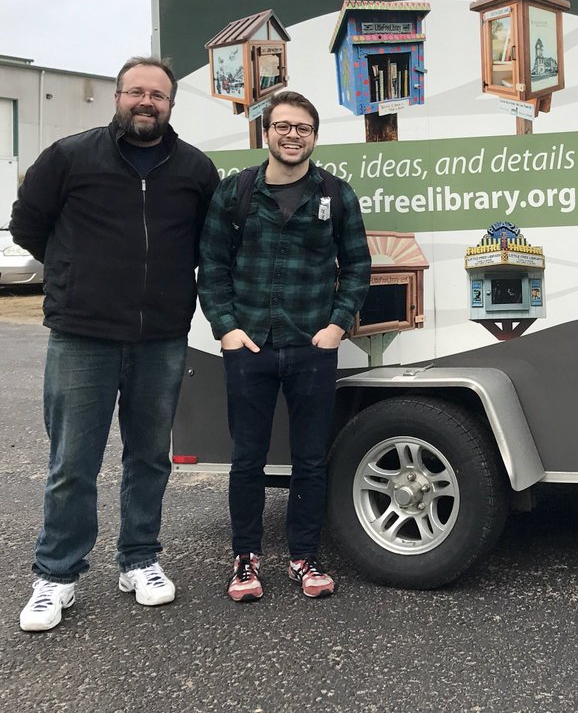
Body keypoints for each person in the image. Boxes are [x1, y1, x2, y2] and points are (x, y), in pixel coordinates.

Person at [11, 57, 219, 632]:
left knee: (149, 457)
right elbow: (28, 224)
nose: (146, 102)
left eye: (158, 94)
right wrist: (72, 273)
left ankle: (140, 560)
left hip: (160, 338)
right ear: (118, 97)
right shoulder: (70, 157)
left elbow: (209, 242)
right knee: (72, 462)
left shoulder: (195, 170)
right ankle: (56, 575)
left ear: (172, 104)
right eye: (136, 92)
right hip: (83, 335)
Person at [198, 90, 369, 602]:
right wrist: (226, 328)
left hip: (311, 347)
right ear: (266, 132)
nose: (292, 135)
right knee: (247, 458)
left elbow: (358, 267)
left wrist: (337, 326)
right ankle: (245, 560)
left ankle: (304, 557)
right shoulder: (236, 193)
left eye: (303, 128)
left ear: (314, 137)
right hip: (249, 346)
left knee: (311, 460)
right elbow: (213, 267)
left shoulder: (337, 196)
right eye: (283, 126)